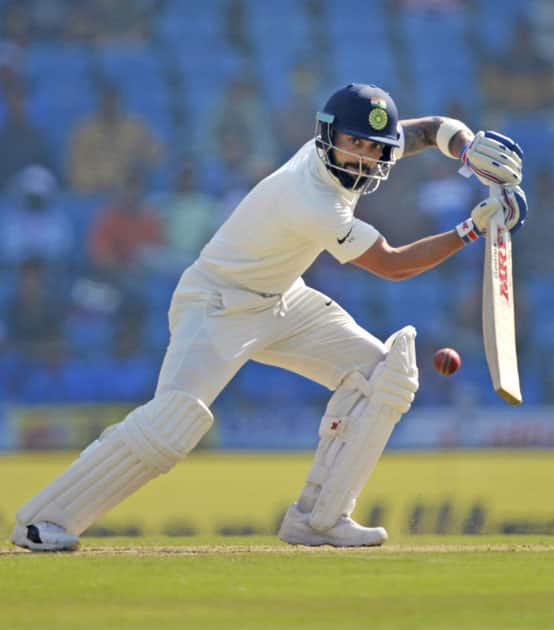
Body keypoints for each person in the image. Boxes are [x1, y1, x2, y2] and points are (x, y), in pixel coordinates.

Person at [11, 83, 527, 551]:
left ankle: (320, 519)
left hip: (283, 300)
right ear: (328, 138)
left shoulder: (348, 157)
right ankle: (43, 521)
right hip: (217, 305)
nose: (363, 158)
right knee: (174, 422)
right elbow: (391, 265)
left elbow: (429, 130)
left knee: (385, 376)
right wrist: (471, 229)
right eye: (354, 144)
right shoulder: (315, 199)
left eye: (374, 150)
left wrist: (466, 148)